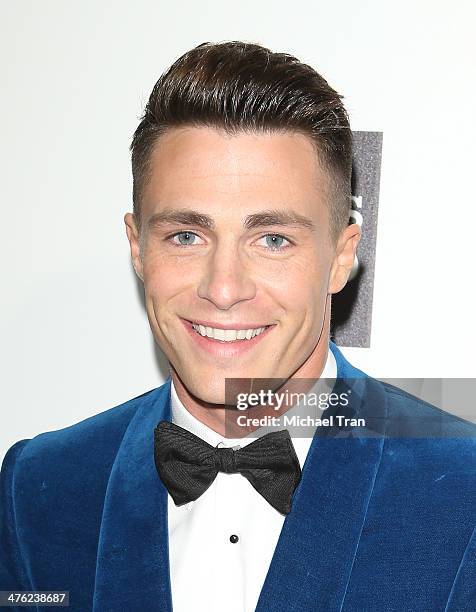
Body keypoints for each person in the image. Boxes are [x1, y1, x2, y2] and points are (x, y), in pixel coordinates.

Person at [1, 41, 475, 612]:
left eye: (272, 239)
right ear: (136, 247)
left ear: (342, 257)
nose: (223, 289)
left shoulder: (463, 488)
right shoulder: (39, 488)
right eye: (186, 236)